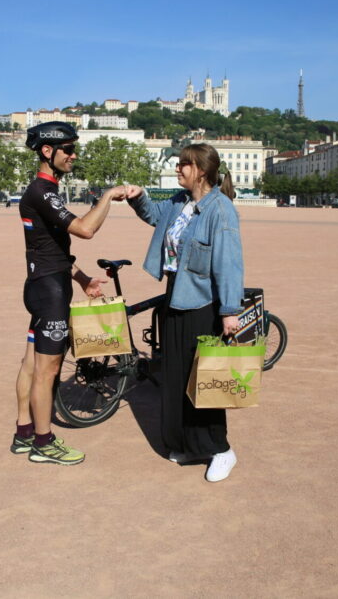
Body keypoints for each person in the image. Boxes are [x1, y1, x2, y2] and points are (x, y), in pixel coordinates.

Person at [122, 144, 244, 482]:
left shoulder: (221, 209)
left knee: (204, 381)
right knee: (176, 378)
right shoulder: (179, 203)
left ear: (201, 171)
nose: (178, 170)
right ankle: (188, 445)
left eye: (183, 165)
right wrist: (138, 196)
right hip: (175, 297)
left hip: (203, 305)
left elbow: (229, 264)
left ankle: (220, 449)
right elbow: (152, 215)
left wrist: (230, 311)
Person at [12, 121, 127, 466]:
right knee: (48, 370)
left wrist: (83, 279)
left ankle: (24, 433)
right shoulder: (42, 192)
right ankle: (44, 443)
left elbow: (53, 252)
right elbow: (85, 230)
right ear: (47, 151)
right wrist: (108, 196)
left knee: (32, 363)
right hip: (49, 292)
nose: (73, 155)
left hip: (44, 284)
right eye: (68, 149)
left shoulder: (45, 191)